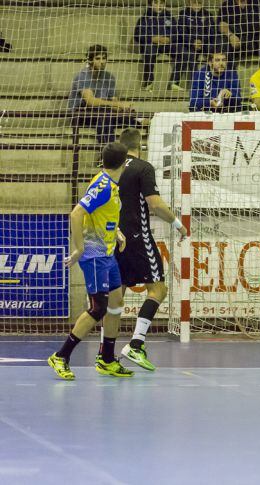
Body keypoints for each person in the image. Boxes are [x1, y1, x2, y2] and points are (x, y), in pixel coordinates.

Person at [47, 143, 134, 380]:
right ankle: (61, 356)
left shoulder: (108, 182)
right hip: (94, 256)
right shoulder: (104, 186)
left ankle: (106, 359)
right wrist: (79, 248)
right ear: (125, 163)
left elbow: (102, 213)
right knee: (98, 309)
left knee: (116, 303)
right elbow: (76, 213)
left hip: (107, 253)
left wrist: (115, 231)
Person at [105, 128, 188, 371]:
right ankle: (136, 344)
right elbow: (154, 203)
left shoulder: (110, 169)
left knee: (114, 298)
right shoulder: (143, 167)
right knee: (158, 289)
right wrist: (178, 224)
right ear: (139, 145)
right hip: (137, 237)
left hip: (112, 237)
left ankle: (105, 354)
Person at [68, 45, 145, 145]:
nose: (102, 61)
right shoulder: (82, 76)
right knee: (105, 115)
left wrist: (124, 108)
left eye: (104, 58)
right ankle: (109, 154)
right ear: (90, 60)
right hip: (81, 113)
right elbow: (90, 102)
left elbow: (114, 102)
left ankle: (140, 120)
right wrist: (118, 105)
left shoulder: (109, 77)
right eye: (98, 58)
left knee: (123, 117)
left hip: (103, 112)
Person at [218, 0, 260, 68]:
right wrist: (230, 35)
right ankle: (229, 76)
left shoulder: (257, 2)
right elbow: (222, 24)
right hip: (239, 40)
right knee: (223, 48)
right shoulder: (226, 5)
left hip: (259, 40)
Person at [171, 0, 220, 90]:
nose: (197, 5)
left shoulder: (207, 15)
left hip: (204, 43)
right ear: (189, 3)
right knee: (188, 54)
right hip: (189, 43)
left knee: (214, 52)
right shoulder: (183, 14)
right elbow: (181, 32)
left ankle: (215, 82)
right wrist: (193, 42)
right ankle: (183, 83)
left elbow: (212, 32)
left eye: (199, 3)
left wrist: (201, 41)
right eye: (194, 3)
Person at [133, 0, 175, 92]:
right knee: (149, 50)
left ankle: (174, 83)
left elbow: (177, 33)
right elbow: (137, 35)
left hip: (167, 45)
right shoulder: (144, 18)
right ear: (150, 4)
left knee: (184, 52)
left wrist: (170, 39)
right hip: (152, 44)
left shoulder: (170, 18)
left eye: (161, 3)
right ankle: (148, 82)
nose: (159, 6)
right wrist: (152, 39)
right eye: (156, 3)